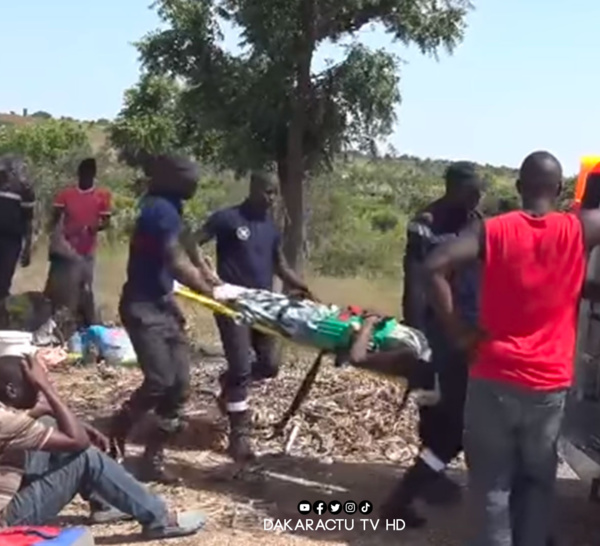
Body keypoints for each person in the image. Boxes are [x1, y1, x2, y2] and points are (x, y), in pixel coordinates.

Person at [423, 150, 593, 546]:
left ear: (518, 188)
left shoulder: (492, 231)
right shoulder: (580, 229)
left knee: (492, 486)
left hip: (493, 378)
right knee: (536, 484)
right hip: (548, 386)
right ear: (561, 188)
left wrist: (459, 332)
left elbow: (434, 267)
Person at [0, 351, 206, 538]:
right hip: (6, 520)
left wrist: (57, 414)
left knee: (50, 425)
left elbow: (32, 416)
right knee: (85, 457)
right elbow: (78, 443)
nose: (39, 394)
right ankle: (159, 519)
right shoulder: (5, 421)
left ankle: (104, 502)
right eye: (34, 388)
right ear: (11, 391)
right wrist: (48, 389)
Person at [186, 170, 312, 463]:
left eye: (274, 193)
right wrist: (205, 273)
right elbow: (192, 241)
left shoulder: (270, 227)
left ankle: (229, 384)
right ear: (254, 189)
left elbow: (279, 264)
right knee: (242, 366)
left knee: (269, 365)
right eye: (267, 192)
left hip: (264, 304)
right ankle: (239, 438)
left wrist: (299, 284)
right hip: (233, 303)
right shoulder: (227, 219)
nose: (271, 198)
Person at [385, 161, 485, 528]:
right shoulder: (425, 223)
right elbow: (414, 282)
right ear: (451, 188)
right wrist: (417, 337)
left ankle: (426, 478)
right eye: (471, 190)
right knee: (437, 409)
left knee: (457, 414)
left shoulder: (477, 221)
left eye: (480, 191)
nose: (477, 197)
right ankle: (423, 482)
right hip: (436, 332)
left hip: (468, 330)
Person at [108, 155, 215, 484]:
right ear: (170, 176)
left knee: (179, 386)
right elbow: (173, 259)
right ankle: (113, 437)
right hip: (143, 307)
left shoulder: (169, 207)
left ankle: (152, 460)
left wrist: (206, 274)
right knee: (159, 381)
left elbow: (185, 247)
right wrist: (209, 291)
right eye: (188, 174)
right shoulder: (159, 210)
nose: (196, 180)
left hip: (162, 305)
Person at [48, 158, 111, 328]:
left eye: (89, 174)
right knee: (61, 287)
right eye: (83, 174)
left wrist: (94, 227)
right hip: (65, 249)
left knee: (84, 285)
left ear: (93, 175)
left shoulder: (101, 196)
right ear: (78, 174)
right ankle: (58, 320)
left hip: (87, 249)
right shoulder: (66, 195)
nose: (85, 177)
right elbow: (55, 219)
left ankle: (80, 321)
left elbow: (106, 221)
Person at [0, 155, 34, 302]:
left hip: (11, 241)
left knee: (4, 280)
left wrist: (28, 247)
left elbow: (28, 220)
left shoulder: (23, 189)